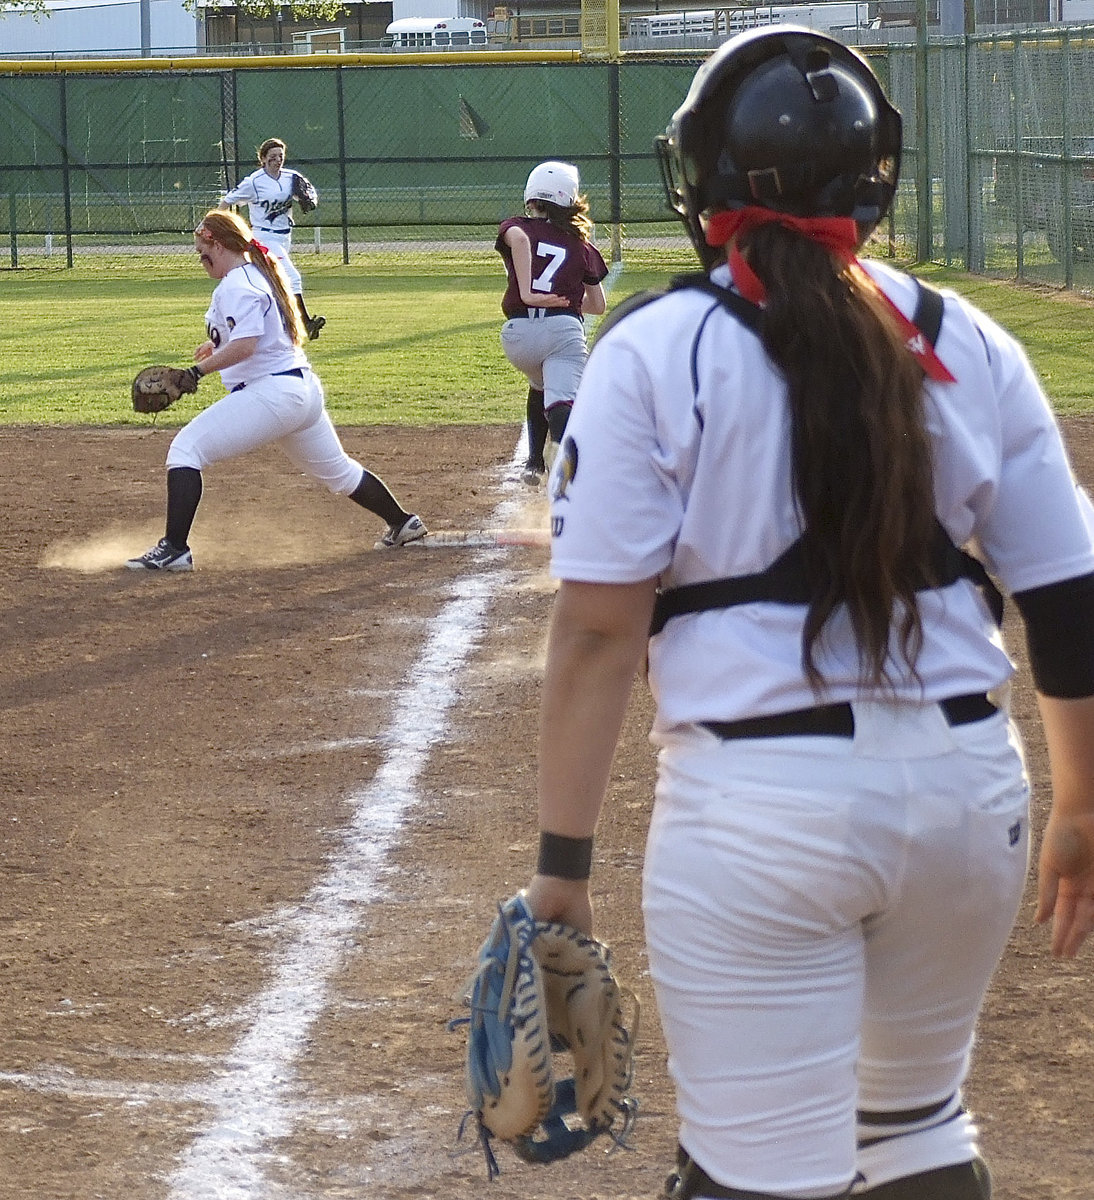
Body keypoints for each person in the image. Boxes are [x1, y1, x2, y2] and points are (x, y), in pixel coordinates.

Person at [520, 27, 1094, 1200]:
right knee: (915, 1135)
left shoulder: (653, 348)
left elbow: (594, 632)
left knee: (757, 1173)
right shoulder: (962, 338)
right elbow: (1065, 592)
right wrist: (1079, 799)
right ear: (872, 180)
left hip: (758, 815)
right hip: (964, 800)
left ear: (705, 177)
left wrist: (560, 871)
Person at [126, 209, 425, 572]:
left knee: (186, 449)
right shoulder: (254, 275)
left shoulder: (238, 283)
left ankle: (175, 548)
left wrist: (195, 372)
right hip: (300, 393)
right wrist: (214, 348)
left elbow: (248, 344)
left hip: (273, 394)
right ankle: (402, 522)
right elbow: (251, 337)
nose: (199, 258)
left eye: (202, 250)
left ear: (217, 244)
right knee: (340, 473)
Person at [495, 160, 608, 486]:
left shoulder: (517, 225)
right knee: (562, 402)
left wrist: (530, 293)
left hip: (518, 336)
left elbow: (515, 235)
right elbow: (597, 306)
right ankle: (575, 479)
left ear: (531, 196)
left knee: (539, 383)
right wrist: (566, 300)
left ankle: (534, 464)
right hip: (561, 331)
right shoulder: (581, 245)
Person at [219, 137, 326, 340]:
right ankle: (305, 324)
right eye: (273, 157)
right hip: (263, 236)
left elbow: (309, 194)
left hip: (285, 236)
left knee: (267, 283)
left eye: (281, 156)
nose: (278, 160)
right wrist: (211, 223)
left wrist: (309, 198)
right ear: (263, 159)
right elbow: (228, 200)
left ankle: (244, 323)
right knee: (292, 278)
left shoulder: (290, 177)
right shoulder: (254, 182)